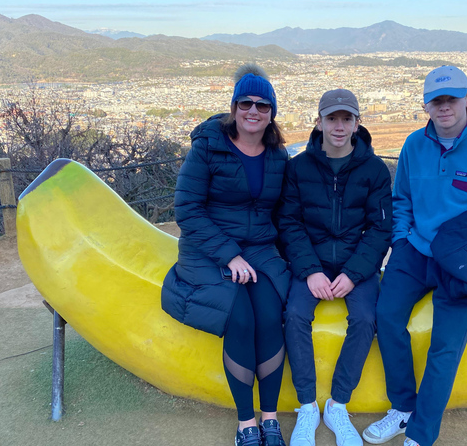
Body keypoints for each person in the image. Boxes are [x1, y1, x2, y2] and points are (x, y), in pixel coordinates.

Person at [362, 66, 467, 446]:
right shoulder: (413, 146)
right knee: (386, 317)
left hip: (466, 259)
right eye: (437, 100)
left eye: (452, 98)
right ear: (426, 105)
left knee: (446, 344)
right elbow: (400, 199)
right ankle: (402, 408)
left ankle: (420, 433)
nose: (445, 107)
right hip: (416, 249)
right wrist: (401, 241)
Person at [161, 63, 290, 446]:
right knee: (240, 319)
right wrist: (229, 255)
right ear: (233, 108)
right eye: (246, 103)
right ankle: (245, 422)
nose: (253, 111)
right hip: (208, 251)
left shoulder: (277, 157)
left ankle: (270, 418)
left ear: (272, 114)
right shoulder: (208, 148)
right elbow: (187, 209)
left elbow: (283, 213)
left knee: (270, 317)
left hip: (260, 251)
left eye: (262, 106)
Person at [278, 89, 392, 446]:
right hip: (309, 261)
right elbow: (289, 223)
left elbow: (380, 228)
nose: (339, 126)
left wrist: (354, 273)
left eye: (346, 119)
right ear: (318, 122)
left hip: (355, 261)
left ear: (357, 123)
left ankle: (338, 403)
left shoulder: (374, 169)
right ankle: (307, 405)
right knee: (295, 315)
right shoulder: (297, 167)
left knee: (365, 319)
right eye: (332, 118)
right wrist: (310, 270)